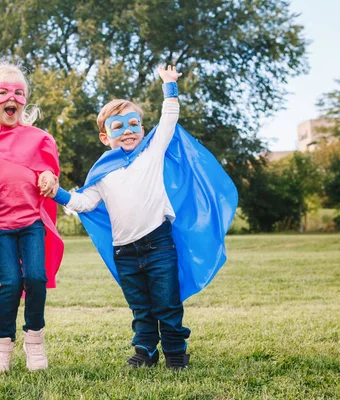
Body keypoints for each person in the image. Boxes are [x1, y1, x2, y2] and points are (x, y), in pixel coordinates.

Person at [50, 65, 238, 369]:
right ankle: (145, 351)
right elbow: (83, 202)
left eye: (134, 123)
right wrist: (57, 193)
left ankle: (176, 352)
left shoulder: (151, 154)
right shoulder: (101, 174)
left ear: (141, 127)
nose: (127, 130)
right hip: (125, 251)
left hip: (159, 245)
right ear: (104, 136)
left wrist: (169, 86)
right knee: (140, 307)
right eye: (118, 126)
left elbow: (168, 121)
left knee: (167, 303)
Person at [0, 63, 63, 374]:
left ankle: (34, 339)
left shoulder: (38, 138)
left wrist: (49, 177)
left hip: (31, 223)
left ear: (25, 100)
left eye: (19, 92)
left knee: (36, 278)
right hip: (1, 228)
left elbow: (48, 171)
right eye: (3, 92)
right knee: (10, 284)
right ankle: (2, 346)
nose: (13, 97)